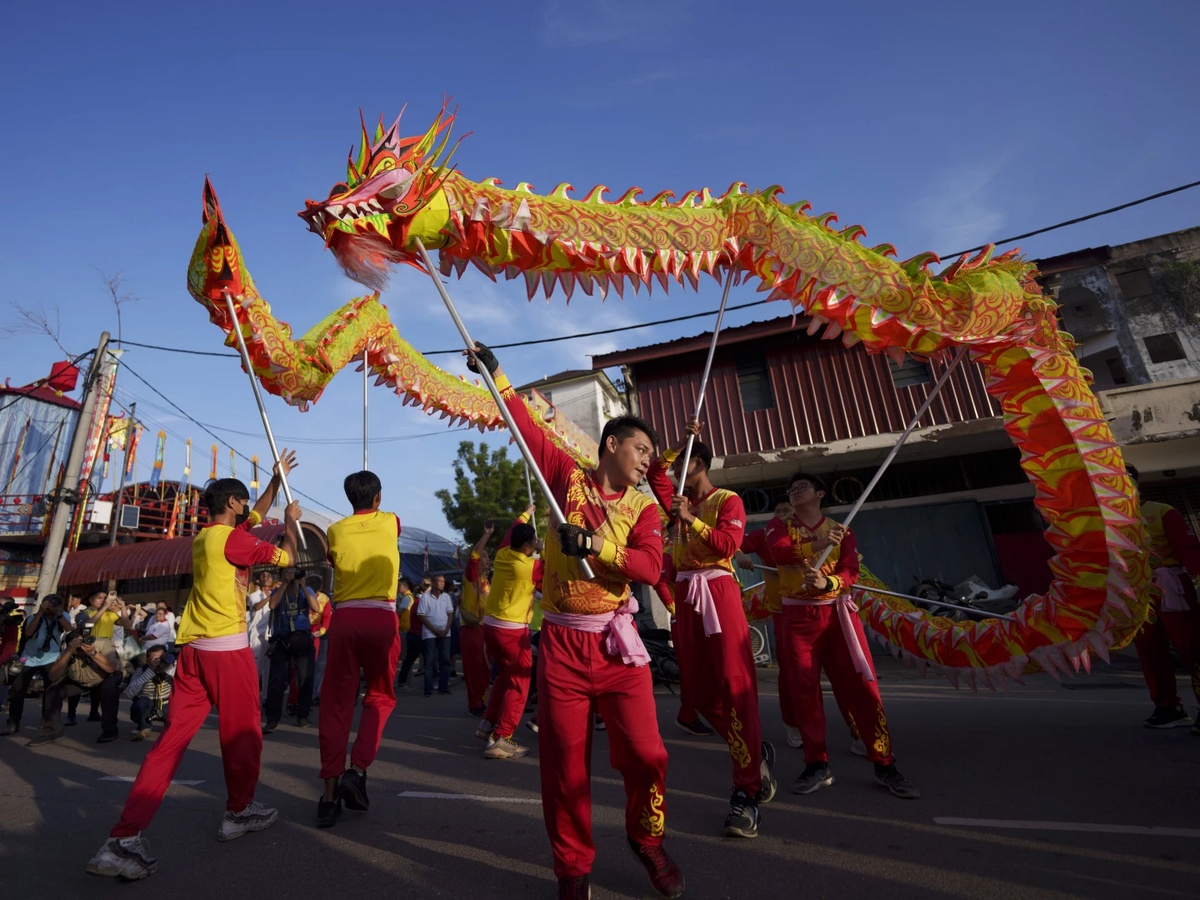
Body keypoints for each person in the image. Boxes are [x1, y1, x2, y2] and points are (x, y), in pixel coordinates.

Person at [468, 343, 683, 900]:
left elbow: (649, 565)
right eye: (640, 450)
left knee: (647, 754)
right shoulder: (566, 478)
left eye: (650, 456)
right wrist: (498, 377)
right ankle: (572, 870)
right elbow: (525, 430)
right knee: (565, 767)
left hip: (618, 646)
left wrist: (594, 545)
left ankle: (647, 839)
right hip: (562, 644)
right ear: (612, 445)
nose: (645, 461)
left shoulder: (646, 510)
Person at [87, 452, 299, 881]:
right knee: (243, 736)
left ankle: (123, 838)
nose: (249, 510)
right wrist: (291, 522)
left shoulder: (207, 537)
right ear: (234, 504)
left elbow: (252, 518)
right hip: (226, 650)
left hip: (194, 652)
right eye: (245, 504)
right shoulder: (236, 541)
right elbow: (288, 561)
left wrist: (276, 482)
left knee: (170, 744)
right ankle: (238, 811)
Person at [646, 419, 776, 839]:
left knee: (735, 687)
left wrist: (692, 520)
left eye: (682, 463)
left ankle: (746, 793)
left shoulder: (728, 499)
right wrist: (677, 442)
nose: (674, 473)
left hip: (718, 593)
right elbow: (653, 475)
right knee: (699, 692)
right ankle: (753, 754)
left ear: (698, 464)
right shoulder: (676, 503)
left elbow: (728, 547)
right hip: (685, 599)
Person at [767, 472, 919, 800]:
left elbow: (850, 569)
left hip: (837, 616)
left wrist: (829, 584)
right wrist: (822, 543)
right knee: (804, 691)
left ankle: (883, 761)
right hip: (797, 618)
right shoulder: (780, 526)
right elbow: (780, 553)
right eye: (791, 488)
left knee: (862, 688)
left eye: (802, 486)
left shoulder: (843, 530)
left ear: (820, 493)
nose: (794, 491)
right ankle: (816, 763)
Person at [315, 470, 403, 828]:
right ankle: (359, 768)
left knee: (336, 704)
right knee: (380, 696)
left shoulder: (335, 530)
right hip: (381, 617)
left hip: (345, 618)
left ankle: (329, 799)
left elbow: (334, 559)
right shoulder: (391, 522)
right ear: (378, 497)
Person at [1126, 464, 1200, 730]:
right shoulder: (1108, 522)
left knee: (1191, 646)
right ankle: (1168, 707)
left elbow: (1187, 547)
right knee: (1150, 651)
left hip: (1171, 586)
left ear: (1135, 483)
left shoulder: (1161, 511)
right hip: (1137, 592)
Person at [476, 508, 540, 759]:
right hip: (511, 630)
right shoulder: (529, 567)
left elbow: (512, 530)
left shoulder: (504, 553)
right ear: (526, 545)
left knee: (504, 677)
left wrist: (526, 513)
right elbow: (556, 570)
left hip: (492, 626)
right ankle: (503, 737)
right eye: (534, 541)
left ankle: (487, 724)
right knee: (520, 682)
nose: (536, 543)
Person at [35, 621, 122, 745]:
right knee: (53, 691)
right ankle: (51, 731)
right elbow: (53, 676)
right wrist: (69, 652)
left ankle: (110, 730)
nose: (82, 647)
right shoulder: (68, 651)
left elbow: (111, 668)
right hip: (81, 679)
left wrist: (92, 653)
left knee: (109, 690)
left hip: (106, 676)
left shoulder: (103, 643)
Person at [1, 593, 73, 737]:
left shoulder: (63, 616)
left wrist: (58, 613)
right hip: (28, 658)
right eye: (48, 604)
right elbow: (28, 633)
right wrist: (40, 612)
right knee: (17, 690)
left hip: (52, 658)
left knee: (51, 692)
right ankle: (13, 723)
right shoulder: (33, 617)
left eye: (55, 603)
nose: (51, 606)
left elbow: (69, 629)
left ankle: (47, 722)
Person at [263, 566, 319, 732]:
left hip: (302, 639)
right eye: (288, 572)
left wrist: (302, 585)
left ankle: (302, 715)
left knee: (305, 678)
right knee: (277, 679)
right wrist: (284, 584)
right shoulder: (278, 591)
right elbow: (272, 605)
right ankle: (272, 719)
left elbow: (316, 608)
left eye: (295, 572)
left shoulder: (306, 589)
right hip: (282, 639)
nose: (292, 575)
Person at [460, 525, 493, 717]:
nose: (488, 561)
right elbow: (473, 557)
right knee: (474, 668)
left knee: (485, 667)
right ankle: (475, 704)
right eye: (486, 558)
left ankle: (481, 699)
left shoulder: (486, 583)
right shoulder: (470, 578)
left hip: (485, 630)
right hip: (471, 630)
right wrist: (486, 535)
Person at [125, 646, 175, 741]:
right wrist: (150, 670)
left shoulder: (172, 668)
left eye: (162, 657)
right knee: (140, 704)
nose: (159, 661)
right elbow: (129, 693)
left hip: (166, 704)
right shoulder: (142, 670)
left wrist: (168, 669)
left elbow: (187, 684)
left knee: (177, 716)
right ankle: (144, 727)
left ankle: (170, 725)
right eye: (155, 659)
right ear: (147, 660)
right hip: (147, 703)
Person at [417, 575, 453, 696]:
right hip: (429, 634)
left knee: (445, 660)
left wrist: (446, 630)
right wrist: (434, 630)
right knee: (429, 662)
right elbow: (421, 615)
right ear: (433, 583)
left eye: (443, 582)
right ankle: (428, 688)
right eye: (439, 581)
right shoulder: (425, 597)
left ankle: (443, 687)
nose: (442, 584)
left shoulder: (446, 597)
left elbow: (450, 615)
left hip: (445, 633)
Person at [246, 570, 274, 696]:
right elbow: (256, 607)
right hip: (256, 636)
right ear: (258, 581)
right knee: (255, 669)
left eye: (270, 576)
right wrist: (269, 598)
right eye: (264, 576)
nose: (267, 578)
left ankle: (265, 697)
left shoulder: (275, 594)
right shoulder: (254, 595)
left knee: (268, 670)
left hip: (270, 636)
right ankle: (250, 695)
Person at [396, 577, 422, 692]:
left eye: (400, 585)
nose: (397, 588)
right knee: (406, 658)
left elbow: (398, 613)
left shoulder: (407, 598)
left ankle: (405, 682)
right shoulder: (409, 598)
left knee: (406, 658)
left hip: (404, 629)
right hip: (406, 629)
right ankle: (406, 682)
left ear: (405, 586)